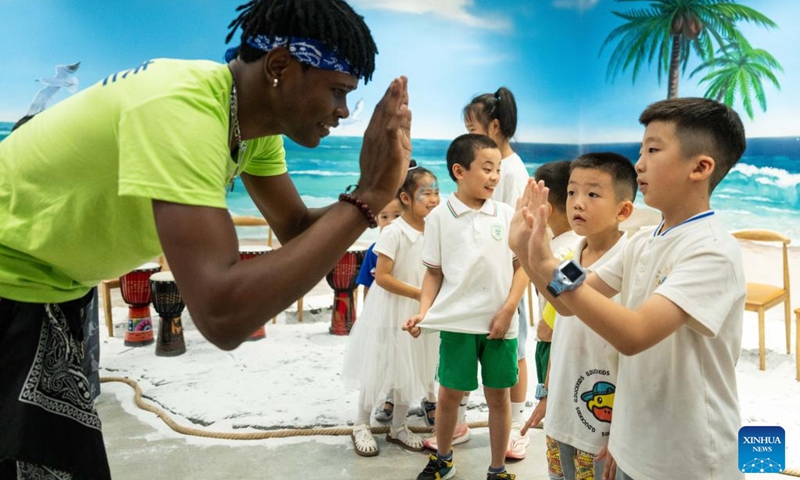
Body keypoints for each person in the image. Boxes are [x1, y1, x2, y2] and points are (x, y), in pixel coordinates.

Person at [0, 0, 410, 477]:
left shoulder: (249, 127)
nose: (343, 112)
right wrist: (367, 195)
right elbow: (221, 313)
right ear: (279, 67)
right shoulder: (181, 106)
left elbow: (298, 230)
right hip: (13, 284)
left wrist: (378, 198)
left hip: (55, 291)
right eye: (338, 92)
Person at [510, 97, 747, 480]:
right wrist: (526, 251)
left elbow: (635, 334)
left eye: (653, 149)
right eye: (641, 150)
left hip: (690, 459)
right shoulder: (643, 242)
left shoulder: (712, 251)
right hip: (634, 446)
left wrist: (547, 262)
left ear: (701, 167)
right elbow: (569, 303)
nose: (639, 163)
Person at [405, 134, 529, 480]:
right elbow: (433, 273)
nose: (494, 176)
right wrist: (424, 312)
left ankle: (497, 469)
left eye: (498, 169)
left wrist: (508, 310)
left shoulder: (506, 214)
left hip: (500, 327)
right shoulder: (439, 218)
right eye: (487, 168)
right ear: (459, 171)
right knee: (448, 397)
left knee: (499, 399)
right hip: (458, 325)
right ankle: (443, 459)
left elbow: (523, 269)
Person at [524, 153, 637, 480]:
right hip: (562, 416)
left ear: (624, 210)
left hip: (603, 426)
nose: (578, 203)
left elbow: (634, 354)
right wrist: (547, 394)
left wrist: (623, 431)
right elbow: (561, 321)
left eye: (593, 194)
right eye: (572, 192)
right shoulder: (571, 255)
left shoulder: (629, 259)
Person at [443, 86, 530, 459]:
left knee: (516, 353)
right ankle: (458, 422)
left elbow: (515, 235)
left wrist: (512, 297)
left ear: (493, 127)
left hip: (505, 281)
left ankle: (518, 428)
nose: (466, 133)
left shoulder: (511, 171)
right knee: (462, 353)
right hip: (476, 284)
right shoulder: (493, 165)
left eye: (471, 126)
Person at [343, 161, 440, 456]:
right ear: (406, 198)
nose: (434, 199)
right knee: (380, 365)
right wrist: (418, 293)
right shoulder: (394, 232)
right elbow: (382, 277)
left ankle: (399, 426)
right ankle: (361, 423)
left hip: (418, 311)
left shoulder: (435, 230)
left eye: (437, 192)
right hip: (390, 311)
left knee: (409, 366)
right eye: (426, 193)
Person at [354, 198, 403, 423]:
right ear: (376, 220)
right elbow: (367, 286)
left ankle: (402, 400)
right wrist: (368, 318)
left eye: (397, 216)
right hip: (381, 318)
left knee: (404, 361)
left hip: (405, 316)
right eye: (384, 217)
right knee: (381, 361)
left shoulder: (412, 247)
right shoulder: (374, 251)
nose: (390, 222)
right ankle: (380, 403)